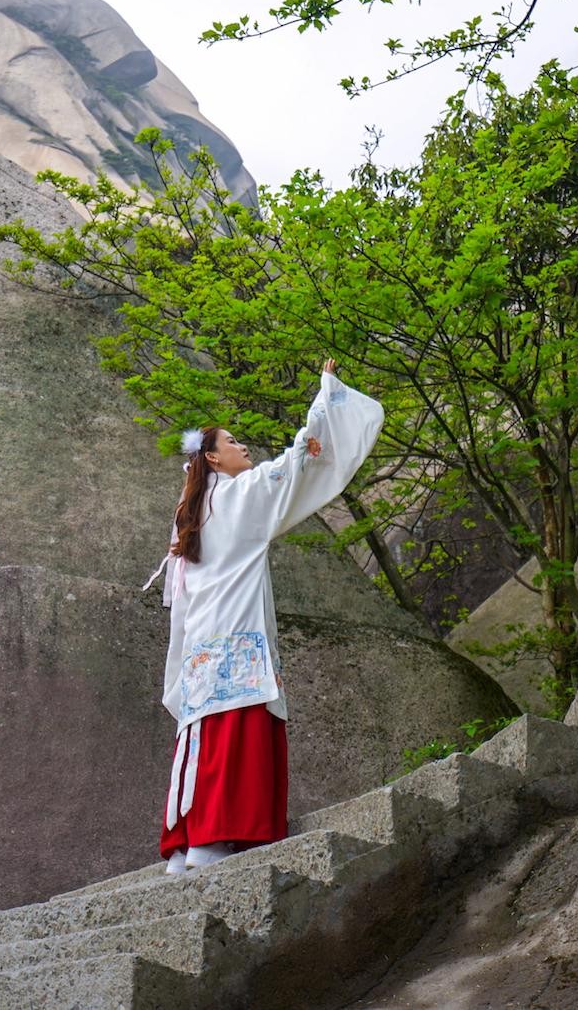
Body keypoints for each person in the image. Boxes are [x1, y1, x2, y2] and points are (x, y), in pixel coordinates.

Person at [143, 358, 384, 874]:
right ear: (211, 457)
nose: (243, 447)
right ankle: (213, 839)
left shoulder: (190, 516)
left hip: (201, 646)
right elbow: (298, 462)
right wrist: (326, 398)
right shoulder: (237, 496)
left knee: (205, 734)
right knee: (236, 731)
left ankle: (187, 846)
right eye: (231, 443)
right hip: (237, 637)